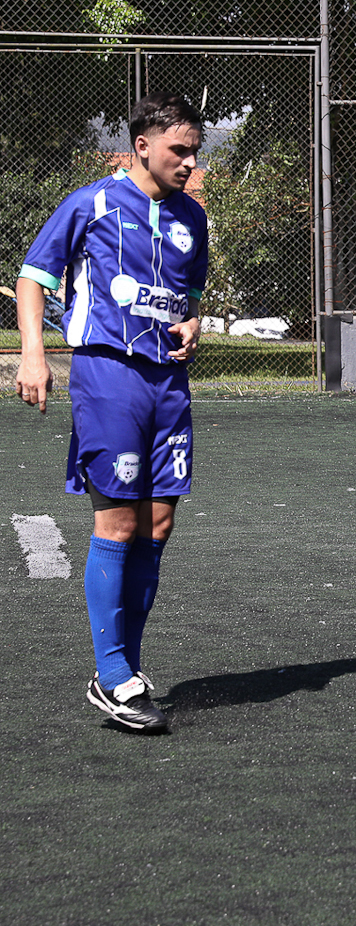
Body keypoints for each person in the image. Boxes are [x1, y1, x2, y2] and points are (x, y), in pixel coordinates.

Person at [14, 92, 207, 733]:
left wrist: (195, 324)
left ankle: (125, 668)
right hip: (107, 377)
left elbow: (190, 295)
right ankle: (115, 672)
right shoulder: (90, 203)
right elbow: (33, 277)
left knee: (157, 526)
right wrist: (34, 356)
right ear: (142, 146)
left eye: (195, 152)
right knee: (118, 524)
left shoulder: (192, 218)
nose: (188, 163)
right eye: (179, 151)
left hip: (168, 384)